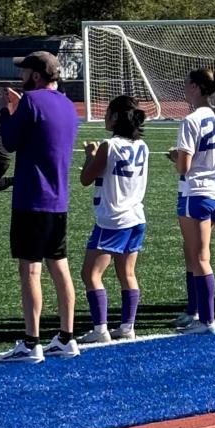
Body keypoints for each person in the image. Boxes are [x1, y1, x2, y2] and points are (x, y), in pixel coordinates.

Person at [0, 51, 79, 361]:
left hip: (32, 198)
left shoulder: (31, 102)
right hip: (58, 199)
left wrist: (5, 111)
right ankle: (66, 336)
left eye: (25, 71)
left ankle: (32, 342)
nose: (21, 76)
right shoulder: (69, 106)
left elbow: (9, 141)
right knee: (59, 266)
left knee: (30, 270)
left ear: (36, 76)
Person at [78, 95, 149, 343]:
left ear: (116, 117)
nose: (105, 117)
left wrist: (90, 154)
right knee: (127, 273)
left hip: (113, 218)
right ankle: (127, 326)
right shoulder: (142, 146)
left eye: (108, 112)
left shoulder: (111, 146)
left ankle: (100, 329)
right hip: (135, 216)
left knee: (90, 274)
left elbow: (86, 178)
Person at [173, 68, 215, 333]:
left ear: (195, 87)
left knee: (199, 258)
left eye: (186, 85)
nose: (184, 89)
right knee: (198, 256)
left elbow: (184, 165)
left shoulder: (191, 120)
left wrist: (176, 158)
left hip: (197, 192)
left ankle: (206, 320)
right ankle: (199, 314)